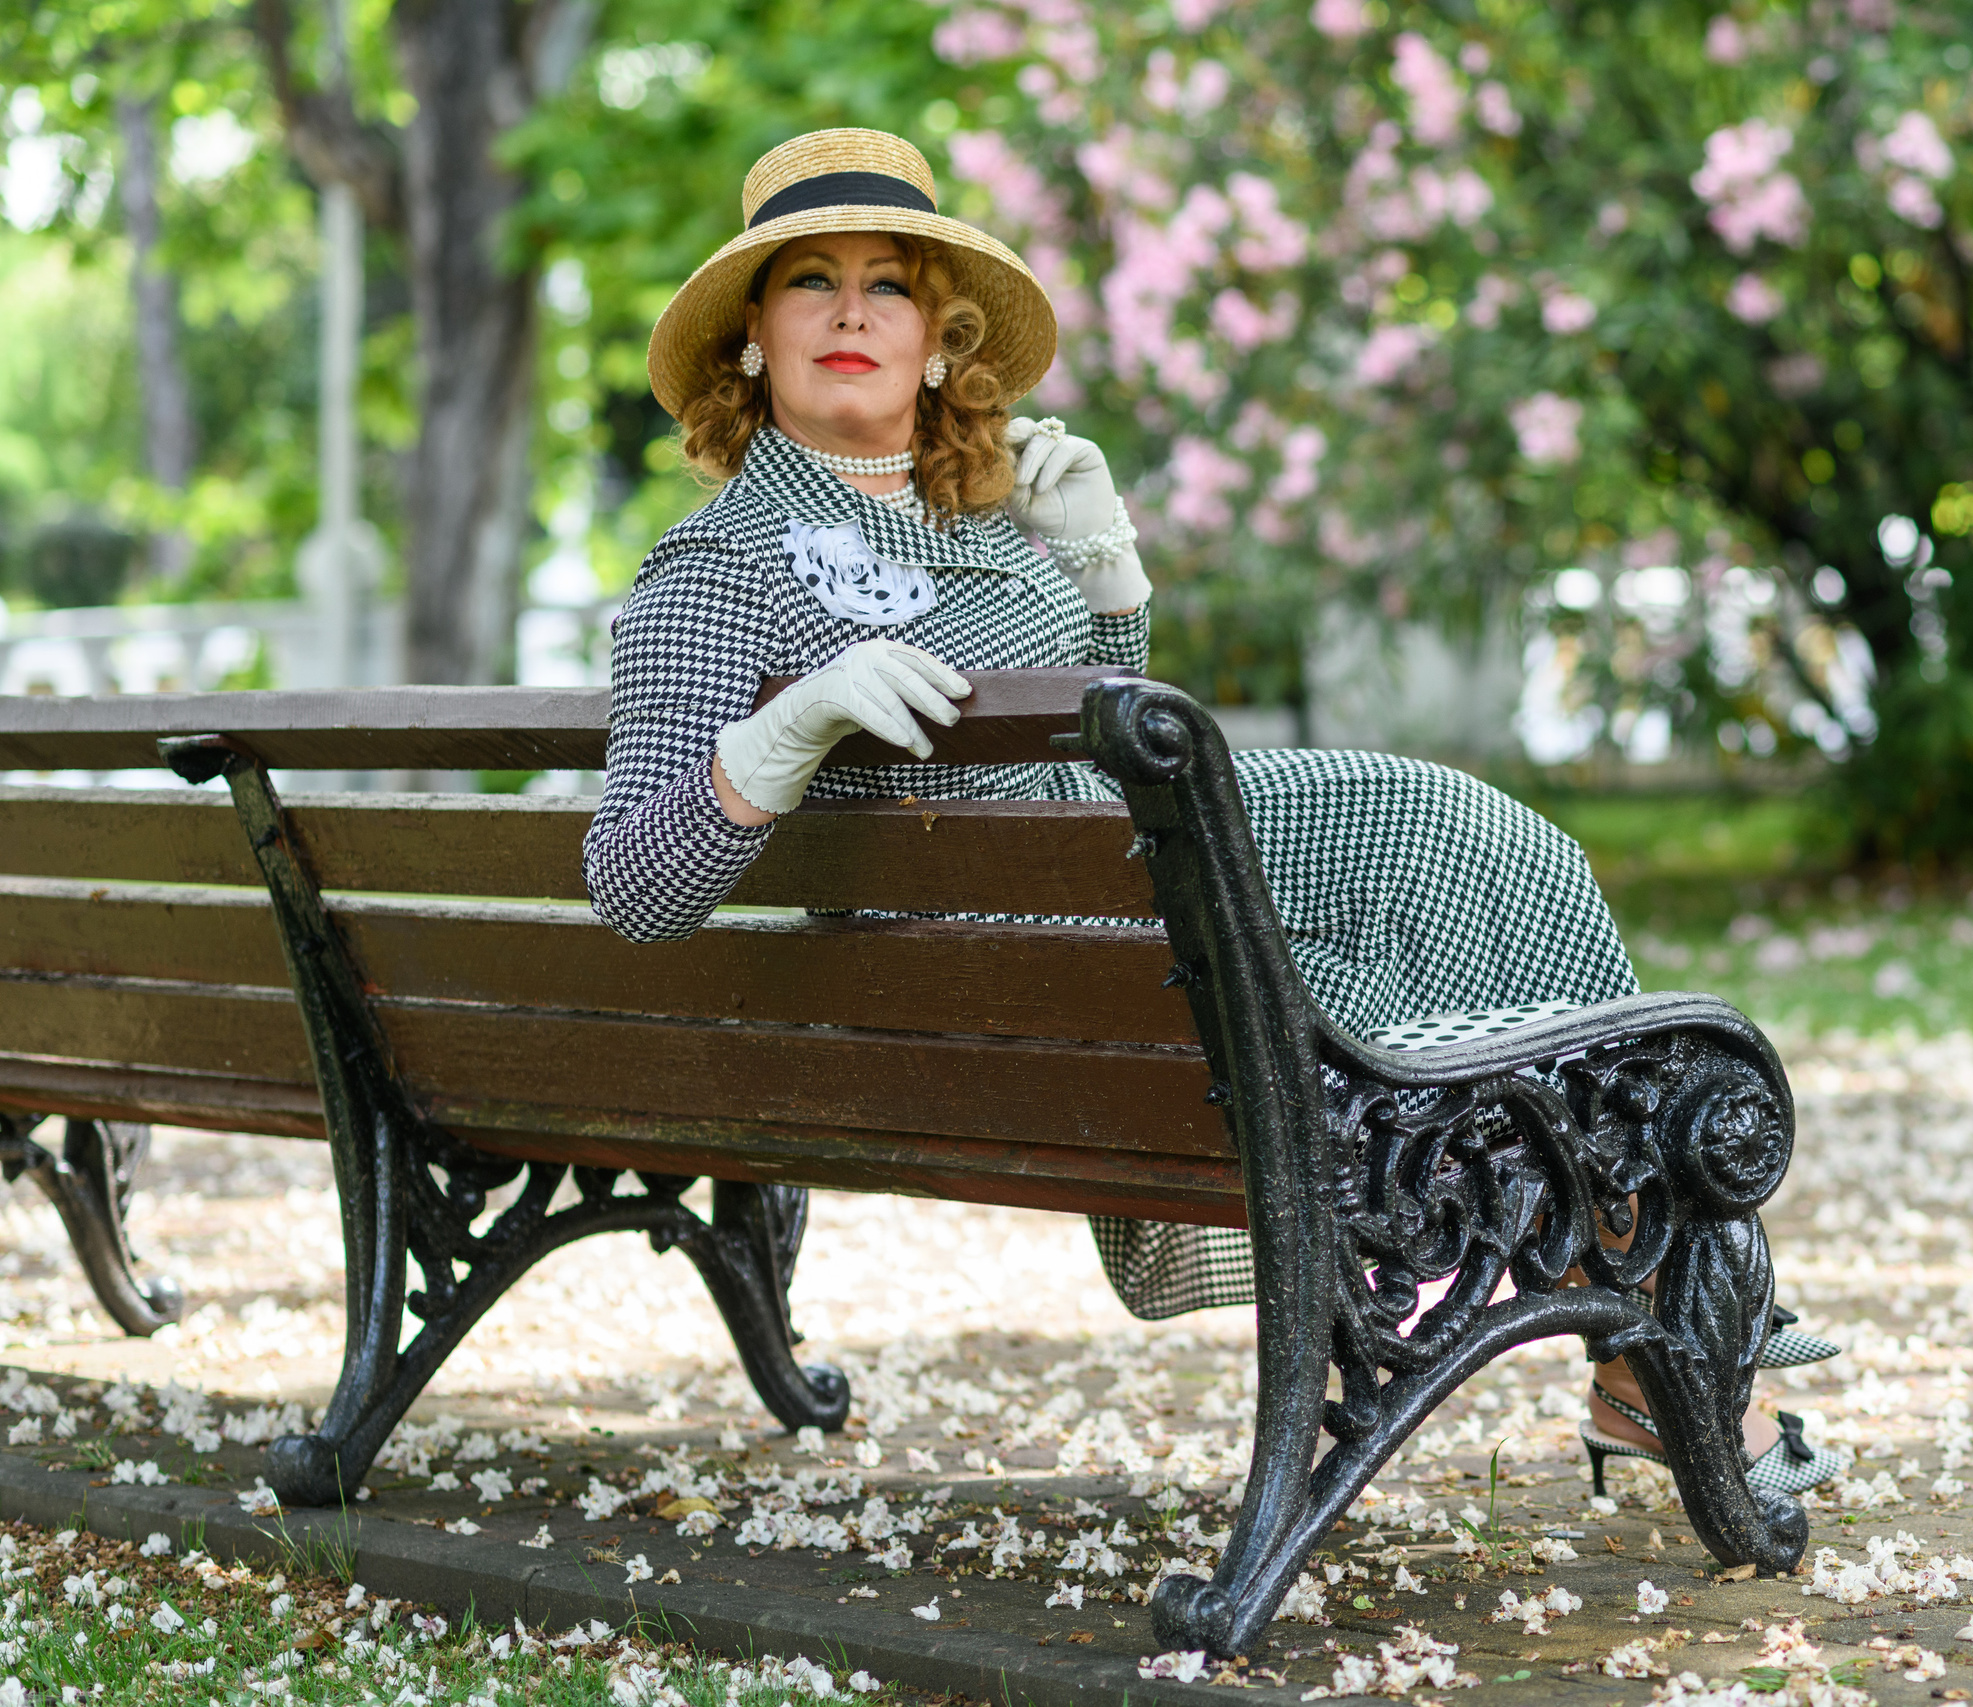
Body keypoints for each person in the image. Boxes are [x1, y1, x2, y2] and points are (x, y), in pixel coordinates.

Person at [590, 127, 1842, 1499]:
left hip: (1119, 912)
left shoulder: (985, 521)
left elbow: (1105, 731)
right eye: (807, 281)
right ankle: (1663, 1316)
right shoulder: (714, 566)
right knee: (1384, 997)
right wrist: (785, 728)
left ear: (936, 343)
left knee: (1472, 859)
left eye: (886, 285)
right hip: (1020, 980)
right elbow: (636, 887)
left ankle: (1610, 1316)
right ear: (753, 344)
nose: (847, 310)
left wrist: (1107, 580)